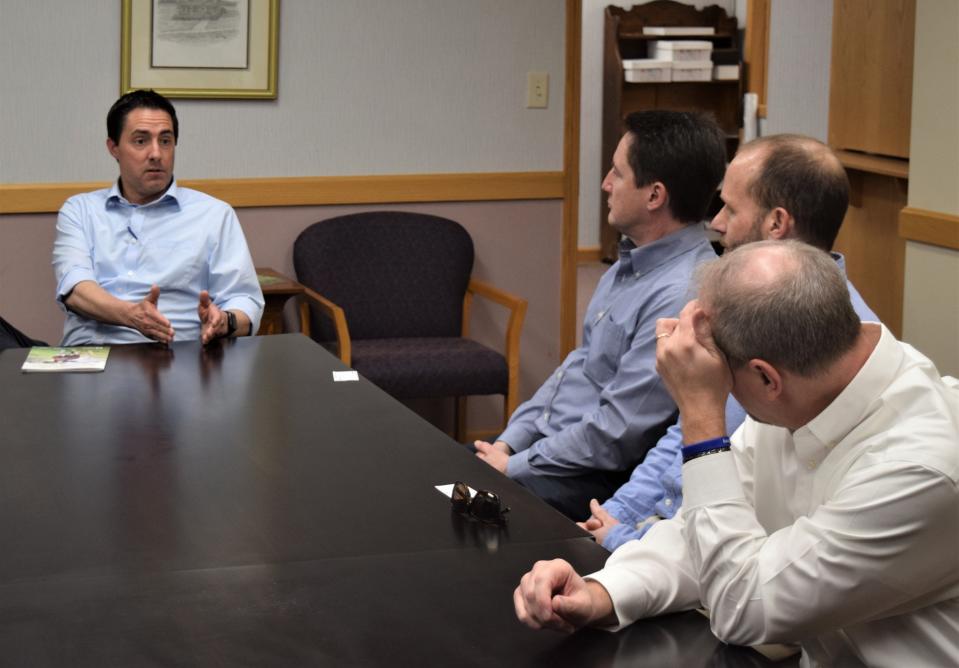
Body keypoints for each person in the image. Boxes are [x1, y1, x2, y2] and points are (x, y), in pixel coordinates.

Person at [514, 240, 959, 667]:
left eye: (721, 377)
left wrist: (700, 412)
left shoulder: (921, 467)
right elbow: (704, 532)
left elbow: (742, 606)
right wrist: (603, 592)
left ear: (766, 379)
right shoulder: (809, 385)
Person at [581, 134, 879, 550]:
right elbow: (685, 431)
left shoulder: (836, 346)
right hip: (659, 538)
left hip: (710, 561)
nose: (716, 223)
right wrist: (617, 514)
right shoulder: (746, 300)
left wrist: (628, 539)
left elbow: (758, 519)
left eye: (731, 208)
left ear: (777, 224)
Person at [474, 110, 727, 519]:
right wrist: (509, 442)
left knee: (471, 506)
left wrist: (514, 466)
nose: (606, 184)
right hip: (556, 450)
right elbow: (577, 369)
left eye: (617, 173)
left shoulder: (680, 293)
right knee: (451, 468)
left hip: (599, 475)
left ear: (654, 196)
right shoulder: (631, 262)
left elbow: (617, 432)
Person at [52, 89, 263, 346]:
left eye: (165, 141)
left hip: (176, 356)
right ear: (113, 148)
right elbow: (75, 290)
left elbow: (246, 300)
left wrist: (224, 321)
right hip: (90, 359)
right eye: (141, 141)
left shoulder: (214, 215)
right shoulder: (80, 211)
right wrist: (132, 316)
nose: (156, 154)